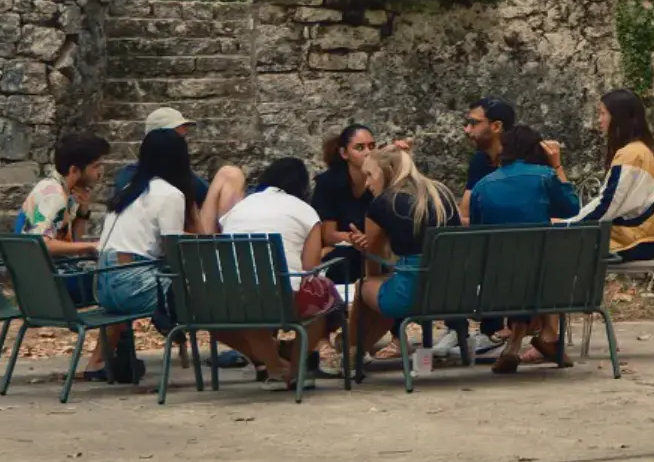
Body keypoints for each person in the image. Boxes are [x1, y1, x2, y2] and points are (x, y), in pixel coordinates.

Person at [89, 126, 202, 372]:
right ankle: (264, 359)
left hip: (103, 285)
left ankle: (98, 361)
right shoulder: (170, 195)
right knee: (211, 295)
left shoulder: (128, 191)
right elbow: (175, 254)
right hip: (133, 285)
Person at [469, 123, 581, 371]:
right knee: (542, 258)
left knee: (519, 262)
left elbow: (477, 233)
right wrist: (557, 165)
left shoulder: (482, 186)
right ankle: (549, 335)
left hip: (495, 283)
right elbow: (573, 209)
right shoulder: (545, 176)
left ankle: (514, 344)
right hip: (542, 278)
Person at [217, 157, 335, 382]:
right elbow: (309, 270)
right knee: (319, 307)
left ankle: (274, 368)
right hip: (280, 298)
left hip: (229, 299)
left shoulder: (238, 209)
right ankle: (294, 372)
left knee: (247, 314)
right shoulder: (306, 211)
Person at [351, 145, 455, 369]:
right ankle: (418, 362)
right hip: (453, 292)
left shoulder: (383, 204)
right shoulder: (441, 193)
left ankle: (351, 352)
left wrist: (365, 250)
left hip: (410, 295)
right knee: (395, 284)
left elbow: (374, 262)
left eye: (370, 175)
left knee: (365, 287)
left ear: (388, 172)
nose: (367, 183)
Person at [564, 89, 654, 259]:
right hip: (650, 238)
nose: (599, 120)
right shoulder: (643, 150)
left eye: (602, 114)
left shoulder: (631, 154)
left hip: (636, 241)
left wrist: (570, 225)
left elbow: (608, 204)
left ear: (618, 118)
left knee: (559, 247)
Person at [15, 132, 110, 263]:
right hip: (47, 274)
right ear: (74, 171)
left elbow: (76, 241)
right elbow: (39, 244)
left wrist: (83, 212)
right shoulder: (53, 194)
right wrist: (92, 245)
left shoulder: (68, 191)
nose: (101, 172)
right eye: (96, 166)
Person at [462, 98, 516, 193]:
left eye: (474, 123)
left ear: (496, 127)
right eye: (467, 123)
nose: (467, 130)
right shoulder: (480, 161)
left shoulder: (522, 164)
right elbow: (466, 206)